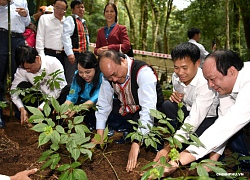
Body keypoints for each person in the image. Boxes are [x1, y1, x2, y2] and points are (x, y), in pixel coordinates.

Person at [159, 50, 250, 177]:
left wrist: (177, 161)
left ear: (232, 71)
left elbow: (229, 125)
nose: (210, 85)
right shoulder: (226, 89)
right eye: (207, 80)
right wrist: (213, 160)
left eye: (212, 79)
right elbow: (223, 122)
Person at [153, 42, 220, 170]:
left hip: (206, 119)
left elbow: (194, 120)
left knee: (196, 138)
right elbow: (180, 98)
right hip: (188, 113)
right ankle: (178, 139)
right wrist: (174, 96)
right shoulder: (176, 77)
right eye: (176, 68)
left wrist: (169, 148)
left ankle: (183, 145)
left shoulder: (206, 83)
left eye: (184, 67)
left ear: (197, 63)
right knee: (168, 105)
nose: (180, 72)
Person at [94, 50, 163, 172]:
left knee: (148, 133)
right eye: (109, 77)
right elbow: (103, 104)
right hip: (127, 109)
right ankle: (129, 131)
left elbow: (148, 110)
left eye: (115, 74)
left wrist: (137, 142)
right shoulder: (108, 77)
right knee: (108, 112)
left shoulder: (143, 72)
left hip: (149, 113)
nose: (114, 79)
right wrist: (99, 134)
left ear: (123, 61)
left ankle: (146, 136)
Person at [10, 45, 68, 125]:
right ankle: (32, 116)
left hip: (56, 99)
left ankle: (61, 120)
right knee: (22, 86)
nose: (28, 71)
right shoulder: (22, 69)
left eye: (30, 68)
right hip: (40, 98)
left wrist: (40, 108)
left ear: (37, 59)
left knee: (67, 90)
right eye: (25, 69)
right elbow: (14, 91)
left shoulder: (53, 63)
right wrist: (21, 108)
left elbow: (58, 90)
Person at [0, 0, 30, 128]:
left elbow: (27, 22)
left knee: (19, 73)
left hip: (18, 38)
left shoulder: (22, 0)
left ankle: (20, 109)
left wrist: (25, 15)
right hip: (2, 35)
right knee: (0, 73)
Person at [64, 51, 102, 129]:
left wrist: (77, 109)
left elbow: (96, 97)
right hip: (83, 104)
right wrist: (64, 107)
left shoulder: (102, 77)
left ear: (95, 67)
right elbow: (72, 95)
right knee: (65, 90)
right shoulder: (77, 75)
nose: (84, 76)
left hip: (98, 105)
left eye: (88, 72)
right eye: (81, 72)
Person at [62, 0, 89, 85]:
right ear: (72, 10)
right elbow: (66, 36)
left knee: (81, 78)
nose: (81, 9)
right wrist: (70, 53)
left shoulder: (82, 22)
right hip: (74, 55)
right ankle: (69, 96)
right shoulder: (71, 19)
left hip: (82, 55)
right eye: (78, 7)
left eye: (82, 7)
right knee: (71, 78)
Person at [36, 0, 68, 65]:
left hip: (62, 55)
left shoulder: (67, 22)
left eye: (62, 9)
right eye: (57, 8)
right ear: (53, 6)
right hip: (47, 54)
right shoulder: (44, 18)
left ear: (65, 10)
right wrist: (42, 55)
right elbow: (40, 37)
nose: (59, 11)